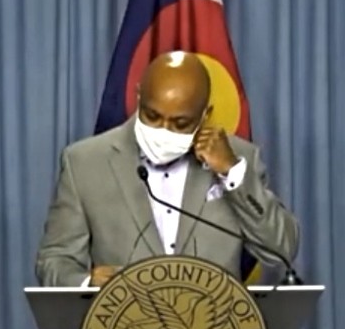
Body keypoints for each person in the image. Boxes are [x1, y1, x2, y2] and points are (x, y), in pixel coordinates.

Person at [35, 51, 299, 287]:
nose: (163, 129)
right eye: (152, 116)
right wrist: (87, 281)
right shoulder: (84, 162)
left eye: (180, 123)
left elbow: (282, 250)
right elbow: (54, 261)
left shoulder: (240, 158)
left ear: (205, 114)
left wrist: (231, 173)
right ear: (139, 97)